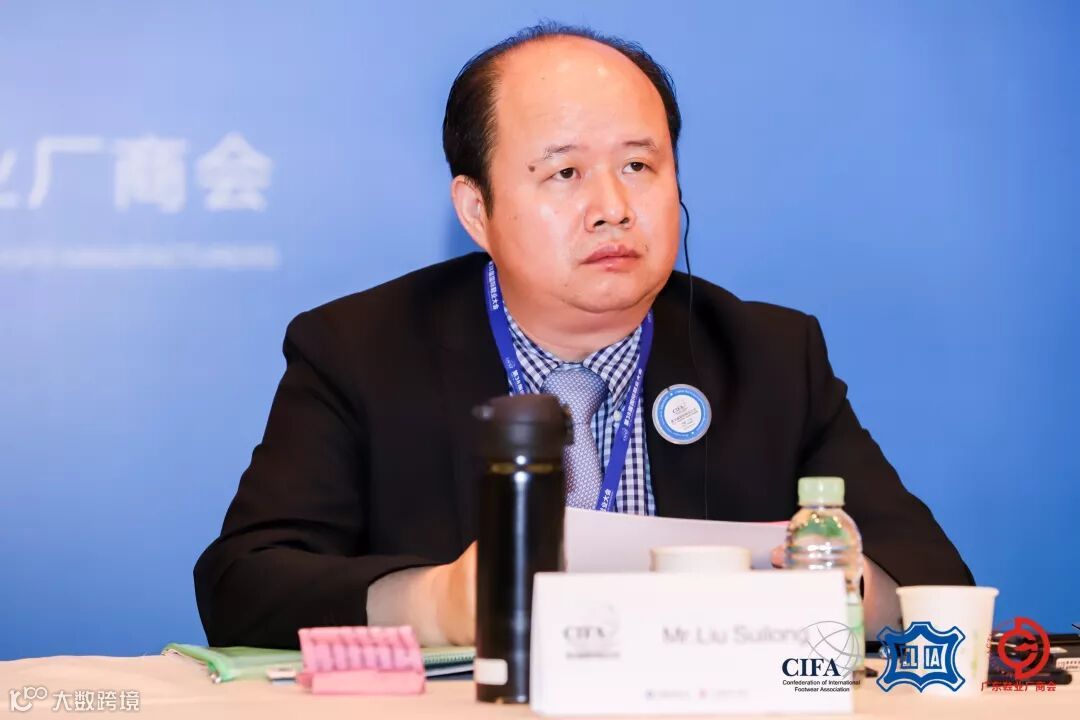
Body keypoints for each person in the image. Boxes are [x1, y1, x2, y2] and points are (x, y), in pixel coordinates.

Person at [194, 22, 972, 650]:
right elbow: (244, 585)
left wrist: (832, 587)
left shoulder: (767, 356)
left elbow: (936, 587)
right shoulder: (360, 350)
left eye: (639, 166)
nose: (612, 208)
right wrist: (438, 604)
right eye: (564, 173)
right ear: (476, 210)